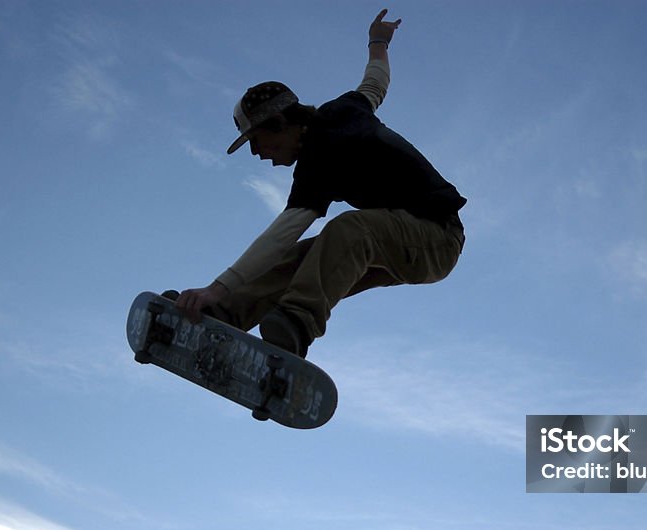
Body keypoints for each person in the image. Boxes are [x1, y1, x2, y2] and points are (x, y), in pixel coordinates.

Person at [174, 9, 466, 358]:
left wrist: (217, 286)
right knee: (304, 258)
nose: (257, 154)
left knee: (350, 230)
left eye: (257, 142)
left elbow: (282, 233)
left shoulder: (322, 151)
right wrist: (378, 42)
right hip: (395, 239)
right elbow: (374, 84)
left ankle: (296, 323)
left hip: (437, 238)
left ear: (280, 123)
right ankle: (222, 316)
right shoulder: (343, 110)